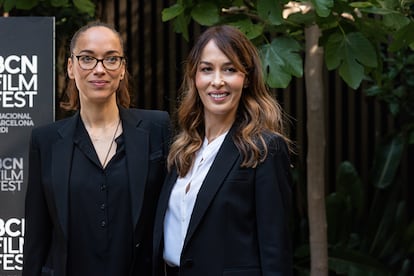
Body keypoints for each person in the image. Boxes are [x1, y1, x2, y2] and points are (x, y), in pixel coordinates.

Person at [22, 21, 170, 276]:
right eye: (87, 58)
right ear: (71, 67)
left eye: (111, 59)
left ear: (122, 69)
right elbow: (36, 236)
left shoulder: (157, 129)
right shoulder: (45, 141)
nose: (99, 69)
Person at [152, 25, 293, 276]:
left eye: (229, 69)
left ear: (246, 78)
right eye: (207, 69)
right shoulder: (181, 150)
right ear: (195, 77)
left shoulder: (264, 149)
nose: (217, 81)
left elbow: (276, 251)